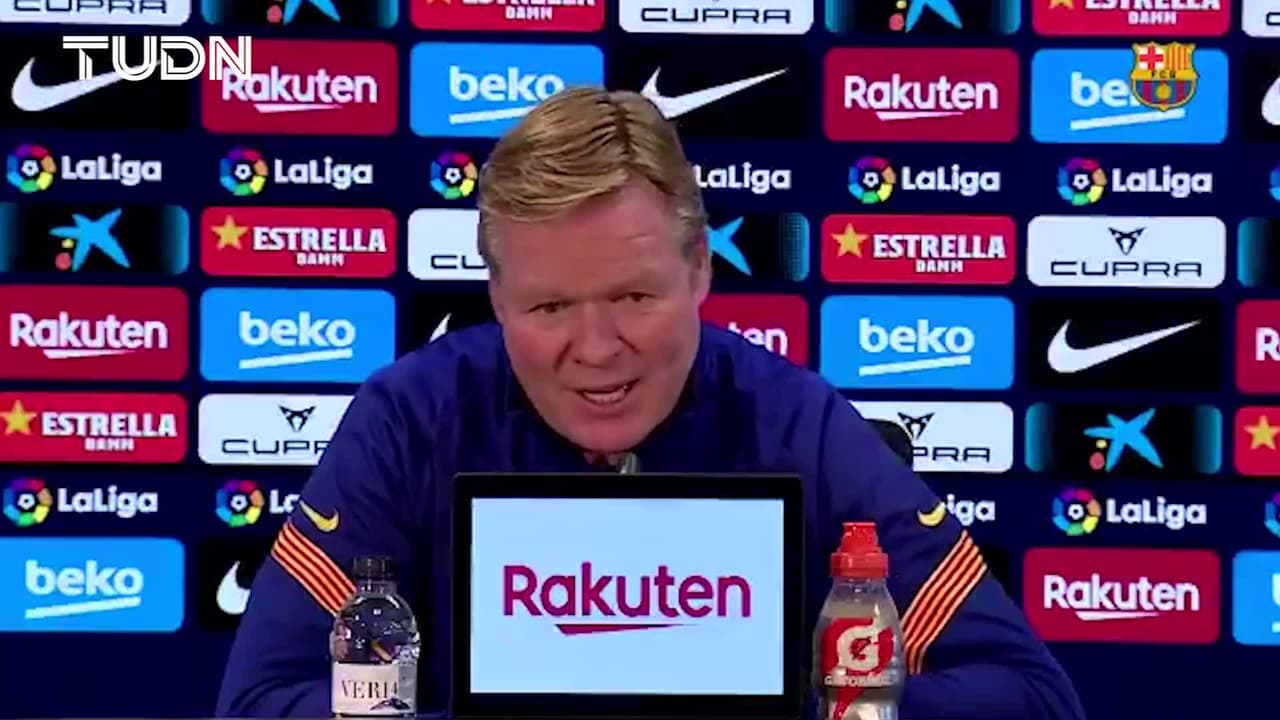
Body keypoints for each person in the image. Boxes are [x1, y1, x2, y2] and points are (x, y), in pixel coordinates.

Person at [215, 87, 1085, 720]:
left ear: (700, 270)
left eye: (634, 297)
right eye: (549, 307)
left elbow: (1033, 698)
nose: (596, 349)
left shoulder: (798, 425)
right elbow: (260, 700)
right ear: (497, 297)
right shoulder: (410, 419)